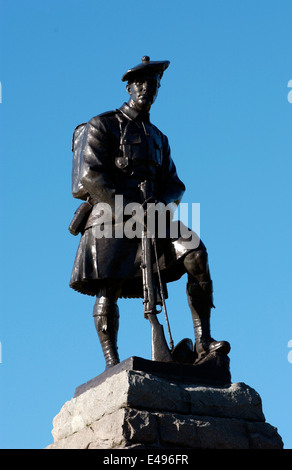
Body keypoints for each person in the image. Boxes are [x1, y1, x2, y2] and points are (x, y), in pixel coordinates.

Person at [69, 56, 230, 369]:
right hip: (111, 216)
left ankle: (203, 340)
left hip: (154, 217)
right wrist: (130, 209)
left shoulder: (158, 137)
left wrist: (160, 204)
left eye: (153, 84)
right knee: (109, 286)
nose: (147, 89)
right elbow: (90, 176)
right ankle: (111, 362)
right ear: (129, 88)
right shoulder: (102, 125)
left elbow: (175, 184)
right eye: (140, 83)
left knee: (195, 253)